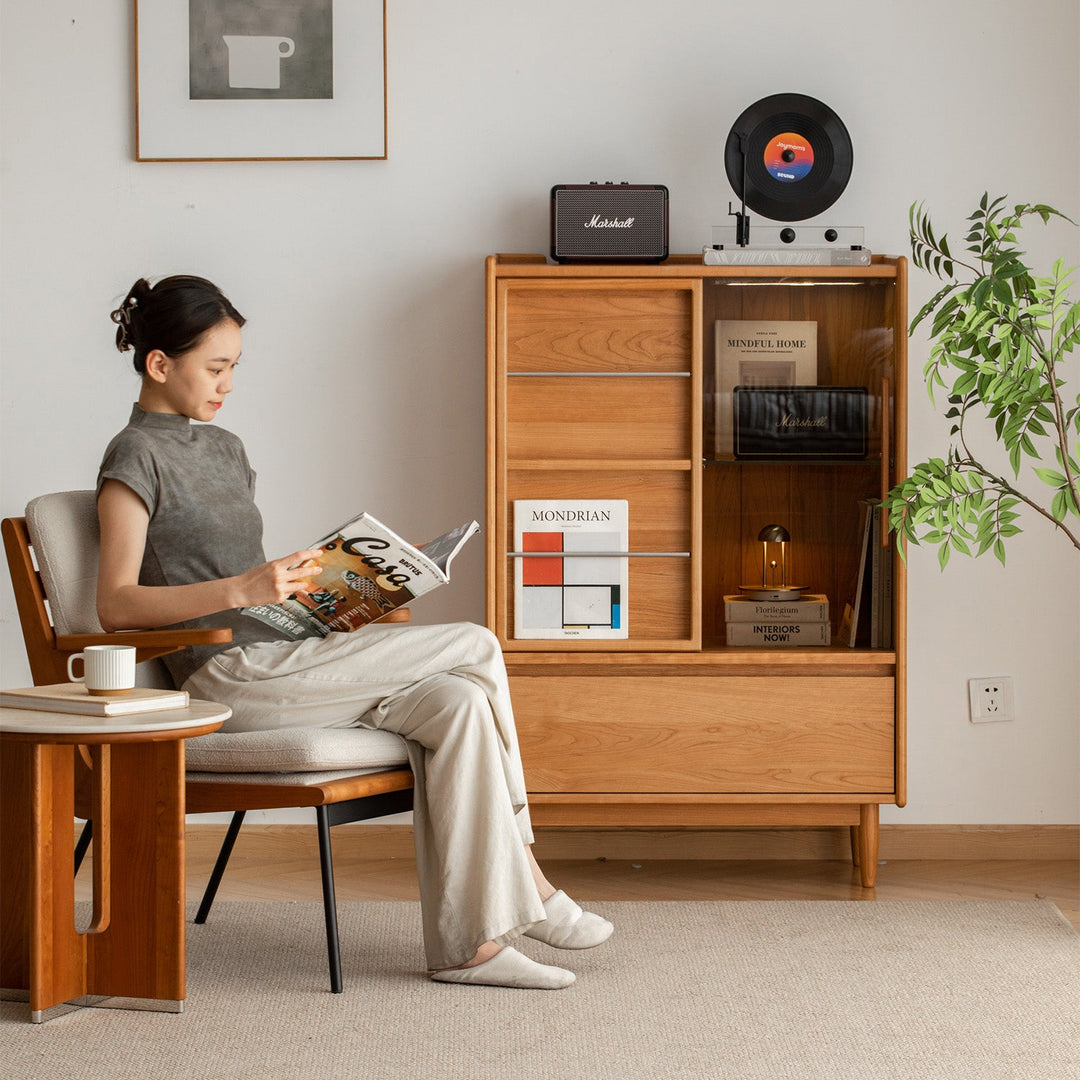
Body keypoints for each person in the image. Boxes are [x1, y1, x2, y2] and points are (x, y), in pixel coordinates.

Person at [95, 274, 613, 990]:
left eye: (235, 367)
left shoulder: (226, 450)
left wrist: (331, 595)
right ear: (159, 364)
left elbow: (258, 589)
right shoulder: (133, 456)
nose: (228, 383)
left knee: (458, 703)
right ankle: (530, 873)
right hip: (230, 680)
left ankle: (471, 949)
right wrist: (241, 588)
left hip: (291, 655)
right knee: (477, 644)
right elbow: (115, 605)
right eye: (215, 368)